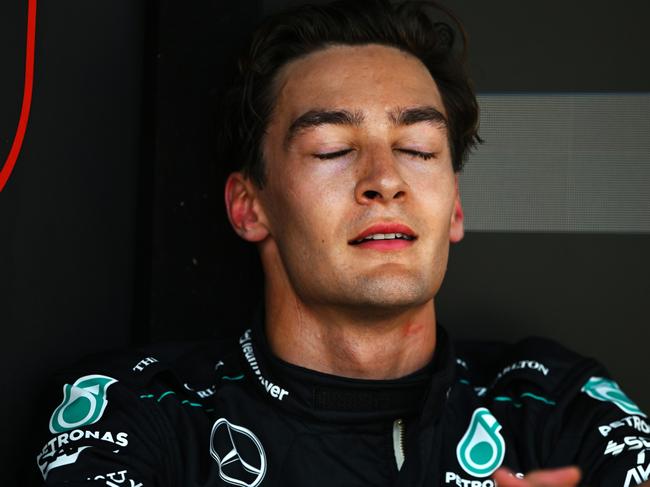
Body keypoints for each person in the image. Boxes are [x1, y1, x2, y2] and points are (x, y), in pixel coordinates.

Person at [34, 1, 649, 486]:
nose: (385, 181)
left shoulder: (553, 403)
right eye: (332, 150)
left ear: (455, 206)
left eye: (418, 151)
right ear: (250, 206)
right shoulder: (139, 412)